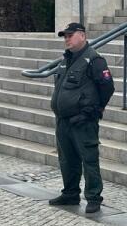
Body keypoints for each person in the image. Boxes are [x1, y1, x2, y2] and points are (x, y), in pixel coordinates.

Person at [48, 22, 115, 211]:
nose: (67, 39)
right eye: (65, 36)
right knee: (67, 159)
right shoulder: (66, 59)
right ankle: (70, 193)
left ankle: (93, 197)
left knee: (89, 159)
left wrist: (94, 111)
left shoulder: (94, 60)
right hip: (63, 121)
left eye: (70, 35)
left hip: (83, 121)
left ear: (82, 36)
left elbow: (107, 87)